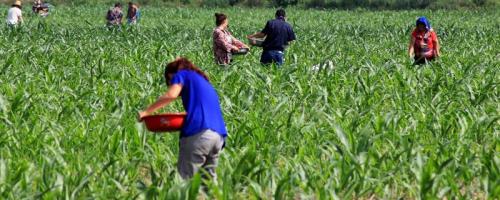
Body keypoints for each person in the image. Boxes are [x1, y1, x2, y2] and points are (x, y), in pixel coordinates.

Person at [138, 58, 227, 180]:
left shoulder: (181, 74)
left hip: (199, 134)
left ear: (171, 74)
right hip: (218, 136)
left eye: (169, 81)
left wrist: (146, 112)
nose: (169, 84)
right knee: (208, 183)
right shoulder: (203, 81)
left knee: (184, 180)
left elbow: (171, 95)